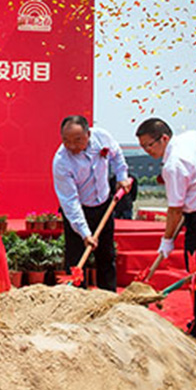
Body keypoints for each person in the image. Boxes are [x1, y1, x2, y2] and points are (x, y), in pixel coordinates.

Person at [136, 118, 196, 344]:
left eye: (149, 145)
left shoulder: (173, 165)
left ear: (164, 138)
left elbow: (175, 210)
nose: (147, 151)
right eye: (143, 146)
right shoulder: (190, 137)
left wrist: (166, 240)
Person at [52, 115, 131, 292]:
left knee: (106, 255)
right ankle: (77, 298)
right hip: (79, 210)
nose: (72, 146)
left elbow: (117, 155)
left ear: (88, 134)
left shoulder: (102, 137)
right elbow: (70, 202)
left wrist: (122, 177)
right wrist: (85, 233)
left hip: (104, 205)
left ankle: (108, 296)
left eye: (77, 140)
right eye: (66, 141)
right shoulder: (61, 161)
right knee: (76, 259)